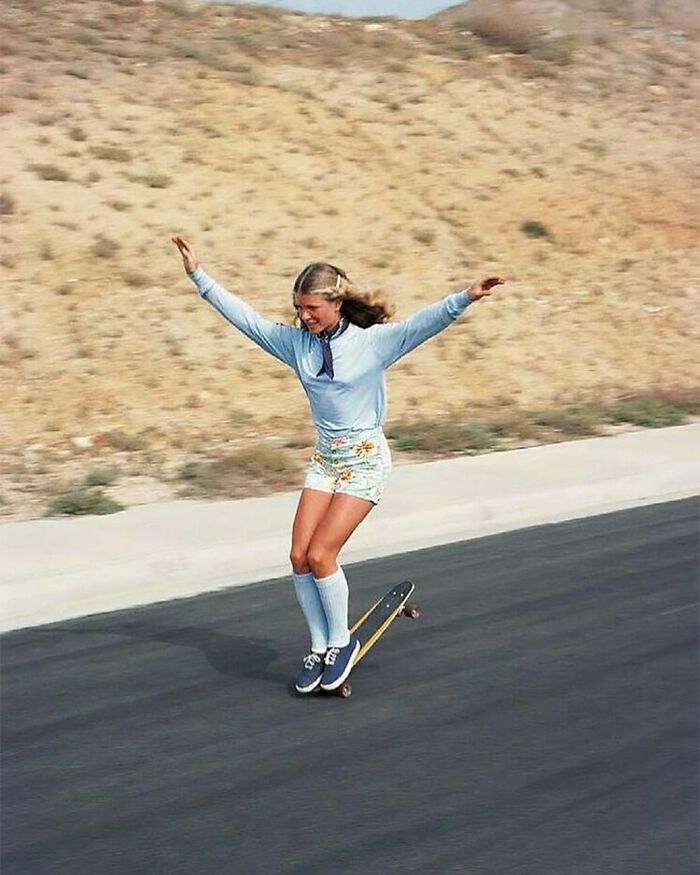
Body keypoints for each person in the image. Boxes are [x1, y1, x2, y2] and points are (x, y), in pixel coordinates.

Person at [172, 235, 505, 693]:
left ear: (335, 304)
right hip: (325, 457)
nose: (303, 317)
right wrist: (199, 277)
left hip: (365, 459)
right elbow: (246, 320)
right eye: (298, 308)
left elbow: (425, 324)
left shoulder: (373, 344)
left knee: (322, 554)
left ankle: (341, 644)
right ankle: (319, 646)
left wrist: (465, 297)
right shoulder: (296, 345)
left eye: (312, 308)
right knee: (298, 556)